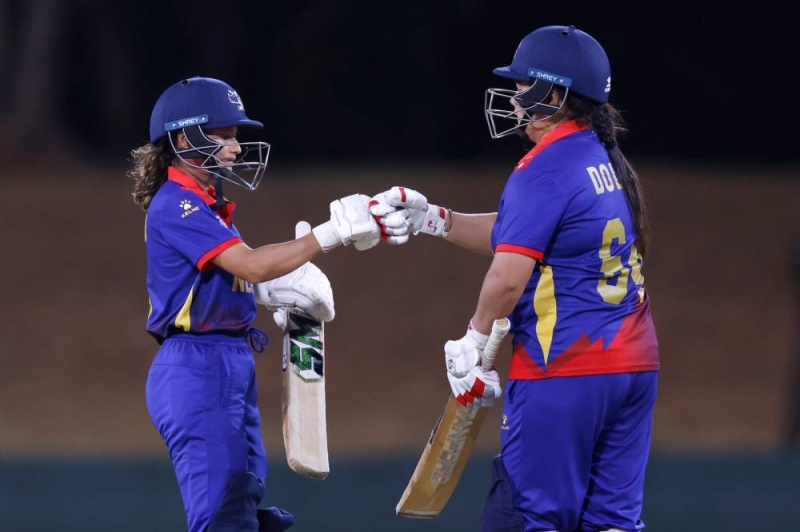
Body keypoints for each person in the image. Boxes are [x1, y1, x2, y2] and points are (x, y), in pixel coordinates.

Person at [370, 25, 659, 532]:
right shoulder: (603, 158)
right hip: (634, 365)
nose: (514, 99)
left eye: (524, 86)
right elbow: (521, 234)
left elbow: (508, 276)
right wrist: (434, 219)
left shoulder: (543, 167)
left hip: (563, 367)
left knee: (528, 518)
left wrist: (475, 335)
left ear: (555, 95)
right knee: (612, 524)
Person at [127, 75, 381, 532]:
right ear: (184, 139)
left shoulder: (208, 205)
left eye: (235, 136)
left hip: (227, 361)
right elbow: (251, 265)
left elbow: (238, 277)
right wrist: (331, 234)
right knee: (221, 519)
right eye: (223, 135)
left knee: (244, 513)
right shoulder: (176, 203)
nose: (236, 147)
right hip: (197, 367)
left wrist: (274, 294)